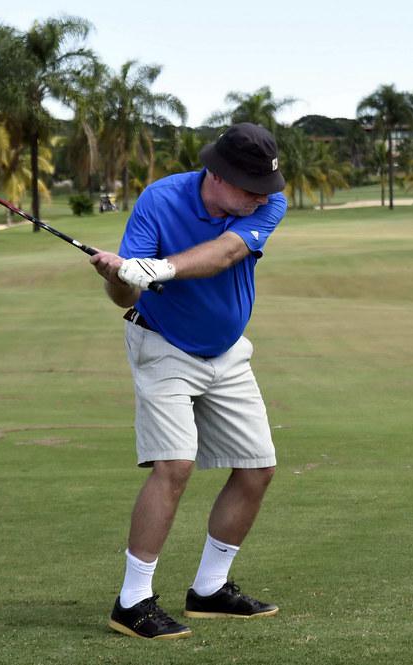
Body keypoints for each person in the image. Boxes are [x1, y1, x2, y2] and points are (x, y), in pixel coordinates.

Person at [88, 123, 288, 640]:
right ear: (217, 175)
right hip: (163, 346)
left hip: (227, 352)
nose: (261, 196)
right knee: (175, 465)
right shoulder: (160, 201)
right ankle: (132, 602)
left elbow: (226, 253)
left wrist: (157, 269)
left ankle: (210, 590)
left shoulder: (269, 204)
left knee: (257, 468)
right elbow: (127, 295)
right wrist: (120, 277)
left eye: (265, 186)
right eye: (250, 186)